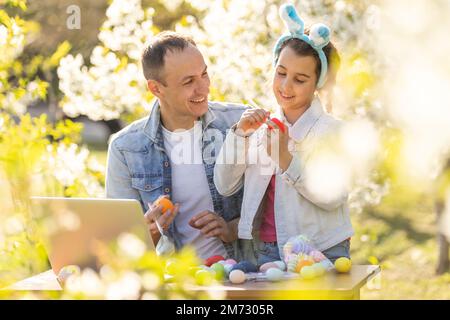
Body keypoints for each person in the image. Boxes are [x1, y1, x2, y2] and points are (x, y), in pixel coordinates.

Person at [214, 4, 354, 265]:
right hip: (266, 250)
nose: (285, 86)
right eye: (281, 73)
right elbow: (224, 185)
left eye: (300, 79)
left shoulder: (333, 131)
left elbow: (335, 197)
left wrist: (287, 160)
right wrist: (240, 136)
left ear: (317, 83)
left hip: (322, 249)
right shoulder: (259, 128)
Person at [105, 31, 246, 259]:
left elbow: (275, 209)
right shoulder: (125, 149)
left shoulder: (240, 124)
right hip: (177, 285)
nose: (203, 88)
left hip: (243, 277)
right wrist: (149, 231)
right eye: (189, 81)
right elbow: (121, 245)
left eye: (204, 74)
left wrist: (233, 228)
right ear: (156, 89)